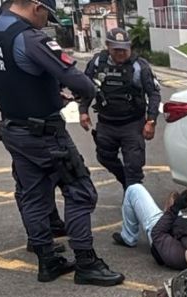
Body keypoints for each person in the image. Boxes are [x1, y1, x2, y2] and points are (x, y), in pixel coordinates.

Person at [0, 0, 124, 285]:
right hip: (44, 133)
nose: (46, 21)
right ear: (36, 6)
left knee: (32, 193)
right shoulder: (30, 38)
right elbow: (81, 82)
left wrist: (47, 92)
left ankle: (47, 259)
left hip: (13, 127)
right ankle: (86, 262)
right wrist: (83, 96)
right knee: (80, 191)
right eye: (47, 13)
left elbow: (2, 80)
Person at [79, 28, 161, 192]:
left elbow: (153, 94)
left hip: (132, 124)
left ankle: (132, 195)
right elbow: (87, 88)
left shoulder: (140, 67)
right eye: (116, 49)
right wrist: (83, 110)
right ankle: (127, 183)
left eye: (124, 49)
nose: (121, 52)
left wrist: (151, 121)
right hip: (106, 123)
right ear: (108, 46)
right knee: (104, 157)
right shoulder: (97, 63)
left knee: (134, 166)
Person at [113, 185, 187, 270]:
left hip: (160, 228)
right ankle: (170, 210)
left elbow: (158, 234)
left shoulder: (183, 256)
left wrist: (175, 209)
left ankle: (128, 237)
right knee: (177, 196)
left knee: (134, 189)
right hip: (182, 222)